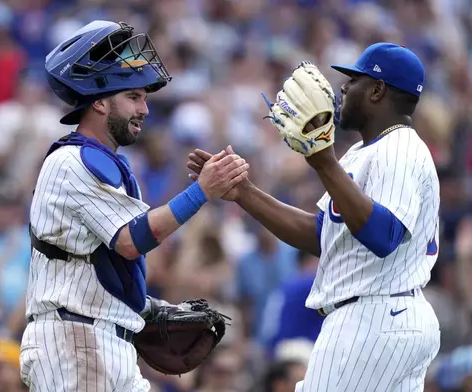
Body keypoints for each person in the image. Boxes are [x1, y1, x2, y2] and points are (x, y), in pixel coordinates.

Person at [188, 43, 441, 391]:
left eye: (354, 81)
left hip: (376, 317)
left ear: (378, 90)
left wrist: (324, 162)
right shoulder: (364, 153)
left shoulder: (399, 149)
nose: (344, 88)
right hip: (381, 317)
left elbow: (385, 235)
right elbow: (319, 234)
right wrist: (244, 192)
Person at [19, 20, 248, 392]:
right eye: (133, 97)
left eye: (144, 98)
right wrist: (202, 191)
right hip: (75, 341)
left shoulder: (104, 162)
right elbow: (130, 240)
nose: (144, 108)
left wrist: (146, 308)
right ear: (99, 100)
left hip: (99, 340)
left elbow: (101, 267)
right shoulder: (72, 161)